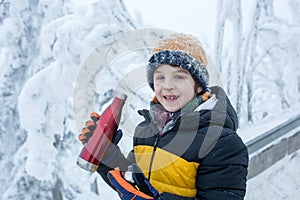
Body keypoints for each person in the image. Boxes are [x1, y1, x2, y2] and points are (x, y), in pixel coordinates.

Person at [78, 33, 249, 199]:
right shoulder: (147, 131)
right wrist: (105, 153)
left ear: (198, 86)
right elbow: (131, 183)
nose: (167, 86)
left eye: (179, 77)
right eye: (160, 77)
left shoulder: (222, 143)